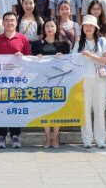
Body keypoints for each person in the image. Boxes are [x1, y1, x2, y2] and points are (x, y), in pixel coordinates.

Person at [0, 12, 32, 149]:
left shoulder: (23, 39)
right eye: (7, 20)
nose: (10, 23)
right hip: (0, 81)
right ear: (3, 23)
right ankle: (1, 135)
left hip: (17, 80)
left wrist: (22, 57)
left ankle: (15, 135)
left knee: (16, 107)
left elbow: (29, 60)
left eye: (12, 20)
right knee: (1, 107)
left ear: (16, 23)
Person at [72, 15, 106, 149]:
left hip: (100, 79)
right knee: (85, 110)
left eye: (91, 25)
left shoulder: (102, 41)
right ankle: (87, 139)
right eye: (85, 25)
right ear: (82, 27)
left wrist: (90, 55)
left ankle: (100, 140)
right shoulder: (79, 43)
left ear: (96, 28)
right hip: (84, 79)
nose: (88, 28)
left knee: (99, 109)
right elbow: (73, 60)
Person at [31, 19, 70, 148]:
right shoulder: (37, 44)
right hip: (43, 81)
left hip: (59, 81)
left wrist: (63, 58)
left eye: (52, 26)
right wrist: (37, 58)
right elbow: (31, 62)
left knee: (57, 108)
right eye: (47, 26)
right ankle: (48, 137)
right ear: (43, 29)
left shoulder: (64, 45)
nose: (49, 28)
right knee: (45, 108)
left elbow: (69, 63)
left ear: (56, 28)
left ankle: (55, 136)